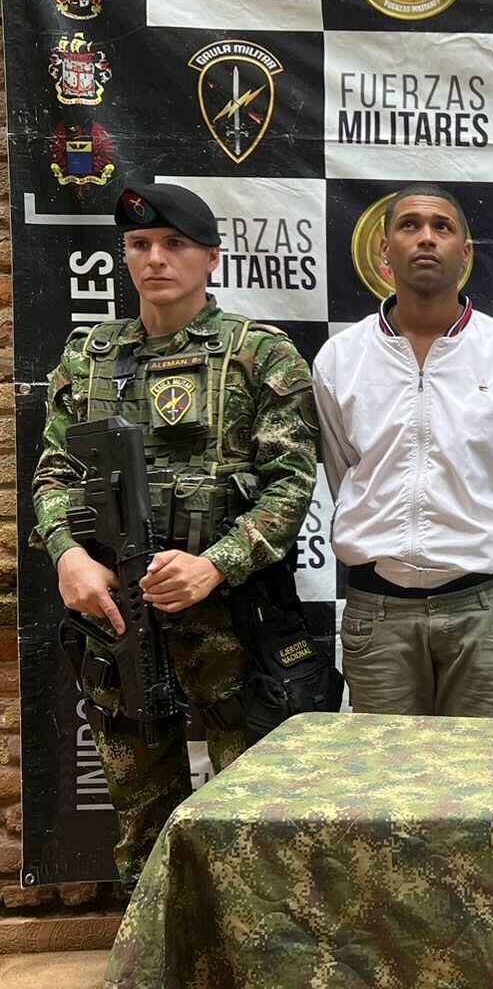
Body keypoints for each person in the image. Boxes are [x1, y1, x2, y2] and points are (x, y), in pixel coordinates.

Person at [32, 183, 319, 882]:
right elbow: (53, 474)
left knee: (251, 826)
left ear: (211, 258)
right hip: (117, 621)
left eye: (174, 244)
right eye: (139, 245)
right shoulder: (87, 356)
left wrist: (215, 565)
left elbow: (290, 484)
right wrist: (68, 557)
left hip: (229, 624)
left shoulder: (260, 354)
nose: (155, 258)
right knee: (140, 828)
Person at [313, 183, 493, 718]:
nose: (426, 238)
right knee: (385, 768)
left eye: (442, 227)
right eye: (410, 225)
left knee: (488, 767)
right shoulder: (340, 359)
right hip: (378, 610)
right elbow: (343, 472)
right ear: (385, 250)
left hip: (487, 609)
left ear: (464, 253)